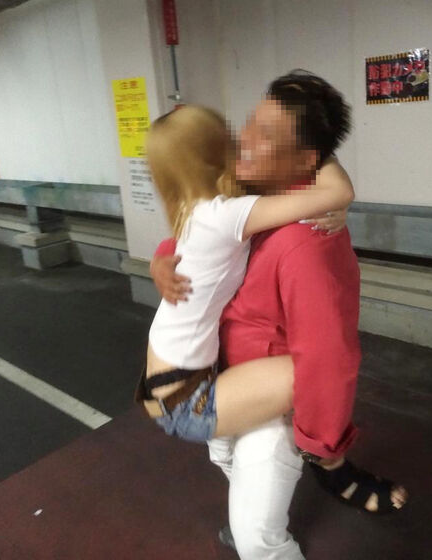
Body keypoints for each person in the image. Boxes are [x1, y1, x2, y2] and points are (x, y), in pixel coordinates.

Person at [151, 71, 408, 560]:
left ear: (307, 160)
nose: (244, 138)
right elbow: (203, 237)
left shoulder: (306, 243)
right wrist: (163, 259)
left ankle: (324, 476)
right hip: (227, 381)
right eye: (250, 122)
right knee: (225, 459)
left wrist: (324, 449)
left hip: (271, 402)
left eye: (265, 134)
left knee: (256, 540)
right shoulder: (251, 197)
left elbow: (327, 360)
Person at [136, 103, 354, 444]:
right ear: (217, 154)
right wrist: (320, 152)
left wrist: (333, 207)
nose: (243, 141)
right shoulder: (227, 215)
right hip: (187, 401)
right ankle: (321, 459)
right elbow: (337, 192)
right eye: (233, 137)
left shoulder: (194, 208)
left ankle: (225, 450)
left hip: (168, 377)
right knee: (316, 374)